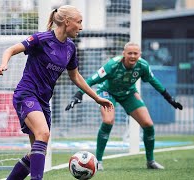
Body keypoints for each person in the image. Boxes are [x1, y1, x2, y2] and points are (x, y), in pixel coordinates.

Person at [0, 5, 113, 180]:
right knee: (43, 134)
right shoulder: (41, 39)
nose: (81, 27)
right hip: (27, 94)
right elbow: (10, 50)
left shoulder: (70, 48)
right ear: (67, 22)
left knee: (36, 151)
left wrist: (96, 98)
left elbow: (76, 76)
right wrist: (4, 63)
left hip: (43, 101)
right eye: (79, 22)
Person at [65, 42, 183, 171]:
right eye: (130, 53)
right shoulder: (112, 65)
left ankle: (151, 161)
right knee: (108, 121)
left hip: (129, 94)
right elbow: (92, 80)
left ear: (140, 54)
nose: (132, 56)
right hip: (107, 92)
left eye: (135, 53)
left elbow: (154, 81)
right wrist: (78, 94)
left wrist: (169, 98)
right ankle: (98, 161)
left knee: (148, 124)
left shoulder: (143, 65)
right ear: (124, 54)